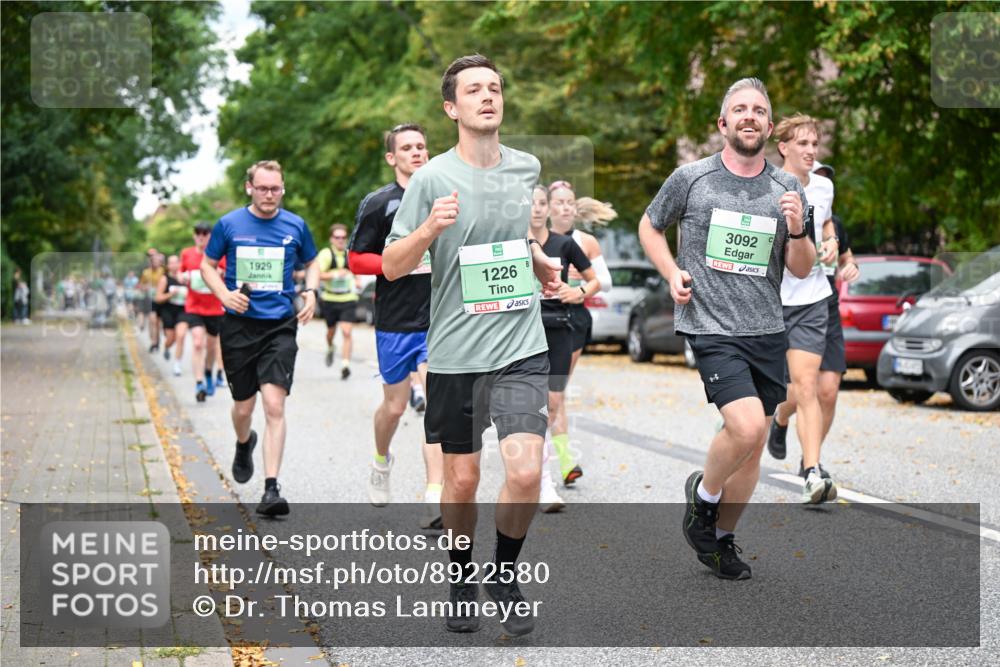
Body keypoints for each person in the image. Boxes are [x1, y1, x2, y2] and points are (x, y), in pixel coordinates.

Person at [383, 54, 561, 636]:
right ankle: (461, 573)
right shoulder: (432, 178)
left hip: (520, 342)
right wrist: (430, 229)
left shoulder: (526, 167)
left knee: (527, 471)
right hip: (458, 352)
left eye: (495, 88)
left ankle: (504, 573)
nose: (488, 97)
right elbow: (390, 264)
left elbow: (510, 236)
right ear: (451, 107)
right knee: (461, 481)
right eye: (474, 90)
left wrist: (539, 263)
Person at [638, 77, 816, 580]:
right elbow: (649, 225)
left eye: (759, 110)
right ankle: (704, 497)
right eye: (740, 108)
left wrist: (799, 227)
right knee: (747, 426)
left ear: (767, 124)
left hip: (767, 328)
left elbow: (801, 267)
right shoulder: (691, 177)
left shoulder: (788, 188)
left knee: (752, 447)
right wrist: (672, 272)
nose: (749, 116)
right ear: (723, 123)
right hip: (712, 326)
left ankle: (720, 541)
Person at [201, 159, 319, 517]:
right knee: (243, 407)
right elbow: (207, 265)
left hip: (279, 325)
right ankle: (243, 441)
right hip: (238, 325)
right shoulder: (229, 224)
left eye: (276, 188)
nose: (270, 195)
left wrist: (311, 291)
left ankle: (271, 489)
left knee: (274, 405)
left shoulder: (295, 225)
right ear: (249, 187)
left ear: (283, 188)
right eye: (263, 188)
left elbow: (312, 261)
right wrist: (223, 295)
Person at [347, 122, 444, 523]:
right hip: (394, 321)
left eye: (421, 146)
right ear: (393, 158)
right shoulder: (379, 203)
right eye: (407, 148)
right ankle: (381, 459)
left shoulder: (443, 199)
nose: (417, 152)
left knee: (438, 408)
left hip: (438, 319)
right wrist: (395, 264)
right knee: (394, 406)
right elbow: (356, 259)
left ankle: (434, 498)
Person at [764, 115, 841, 504]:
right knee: (777, 390)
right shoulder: (766, 185)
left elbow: (826, 224)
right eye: (803, 144)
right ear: (784, 147)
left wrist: (831, 242)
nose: (811, 151)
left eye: (814, 144)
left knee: (808, 385)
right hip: (771, 300)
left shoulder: (824, 186)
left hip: (812, 299)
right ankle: (774, 421)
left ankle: (812, 470)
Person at [769, 160, 860, 486]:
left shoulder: (833, 222)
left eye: (824, 178)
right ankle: (782, 422)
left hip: (827, 304)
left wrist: (850, 266)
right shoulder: (785, 207)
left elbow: (848, 259)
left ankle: (812, 462)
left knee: (829, 391)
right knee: (799, 389)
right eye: (815, 177)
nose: (819, 183)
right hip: (792, 304)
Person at [529, 184, 600, 512]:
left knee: (552, 403)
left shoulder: (565, 244)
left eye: (542, 203)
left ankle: (544, 481)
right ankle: (534, 474)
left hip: (558, 329)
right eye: (531, 204)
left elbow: (594, 279)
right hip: (523, 330)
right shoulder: (514, 243)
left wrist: (579, 291)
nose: (537, 209)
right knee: (527, 405)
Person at [545, 181, 614, 484]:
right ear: (546, 207)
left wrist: (579, 286)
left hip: (572, 319)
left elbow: (605, 281)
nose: (565, 207)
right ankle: (556, 459)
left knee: (555, 394)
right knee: (547, 395)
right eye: (558, 202)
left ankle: (562, 461)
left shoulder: (584, 242)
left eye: (569, 202)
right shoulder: (536, 238)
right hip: (539, 318)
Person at [179, 222, 226, 400]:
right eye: (198, 233)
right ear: (194, 236)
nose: (201, 236)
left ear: (210, 236)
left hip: (214, 308)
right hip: (194, 306)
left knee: (212, 347)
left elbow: (227, 272)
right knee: (198, 342)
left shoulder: (218, 254)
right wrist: (182, 277)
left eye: (205, 233)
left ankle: (208, 372)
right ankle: (199, 383)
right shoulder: (186, 253)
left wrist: (220, 273)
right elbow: (180, 273)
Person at [317, 223, 359, 379]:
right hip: (330, 298)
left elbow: (357, 272)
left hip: (348, 298)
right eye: (337, 237)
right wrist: (335, 275)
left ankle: (345, 364)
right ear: (331, 239)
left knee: (347, 331)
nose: (341, 240)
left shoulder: (350, 254)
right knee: (330, 332)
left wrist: (357, 280)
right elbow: (317, 274)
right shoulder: (326, 254)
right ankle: (330, 346)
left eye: (343, 237)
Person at [154, 255, 187, 367]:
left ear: (179, 264)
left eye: (175, 262)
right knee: (171, 339)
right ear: (168, 266)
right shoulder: (165, 279)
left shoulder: (184, 278)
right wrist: (170, 294)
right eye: (171, 263)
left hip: (183, 311)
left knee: (181, 335)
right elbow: (158, 298)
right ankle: (167, 347)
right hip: (168, 311)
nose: (173, 265)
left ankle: (177, 364)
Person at [139, 251, 164, 352]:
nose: (155, 263)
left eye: (157, 261)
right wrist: (145, 287)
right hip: (150, 299)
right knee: (152, 320)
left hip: (161, 299)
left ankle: (157, 340)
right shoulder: (146, 272)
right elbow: (141, 285)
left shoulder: (163, 271)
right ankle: (153, 342)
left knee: (158, 323)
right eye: (153, 261)